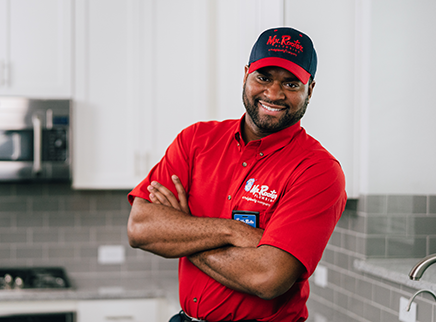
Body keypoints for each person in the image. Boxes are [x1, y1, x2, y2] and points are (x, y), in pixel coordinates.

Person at [127, 27, 347, 322]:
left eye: (291, 83)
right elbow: (141, 228)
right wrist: (232, 231)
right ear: (246, 75)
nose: (273, 93)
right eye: (263, 77)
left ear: (310, 89)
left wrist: (184, 232)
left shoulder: (317, 170)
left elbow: (268, 277)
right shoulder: (195, 140)